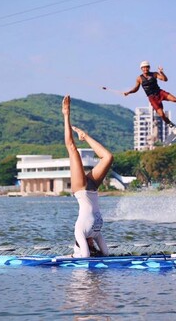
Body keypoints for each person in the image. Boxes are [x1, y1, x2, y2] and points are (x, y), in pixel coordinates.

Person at [62, 95, 113, 258]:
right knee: (108, 158)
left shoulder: (80, 231)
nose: (92, 243)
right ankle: (85, 136)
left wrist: (72, 256)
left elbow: (84, 256)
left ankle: (65, 115)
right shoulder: (96, 233)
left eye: (89, 244)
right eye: (92, 245)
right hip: (92, 188)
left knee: (72, 148)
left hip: (81, 190)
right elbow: (105, 253)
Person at [123, 60, 176, 130]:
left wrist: (162, 72)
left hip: (160, 92)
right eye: (144, 67)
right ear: (141, 69)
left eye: (147, 67)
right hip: (152, 98)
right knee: (161, 114)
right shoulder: (139, 78)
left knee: (175, 99)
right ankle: (171, 125)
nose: (145, 69)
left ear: (149, 67)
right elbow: (136, 88)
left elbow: (165, 79)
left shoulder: (154, 74)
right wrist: (128, 92)